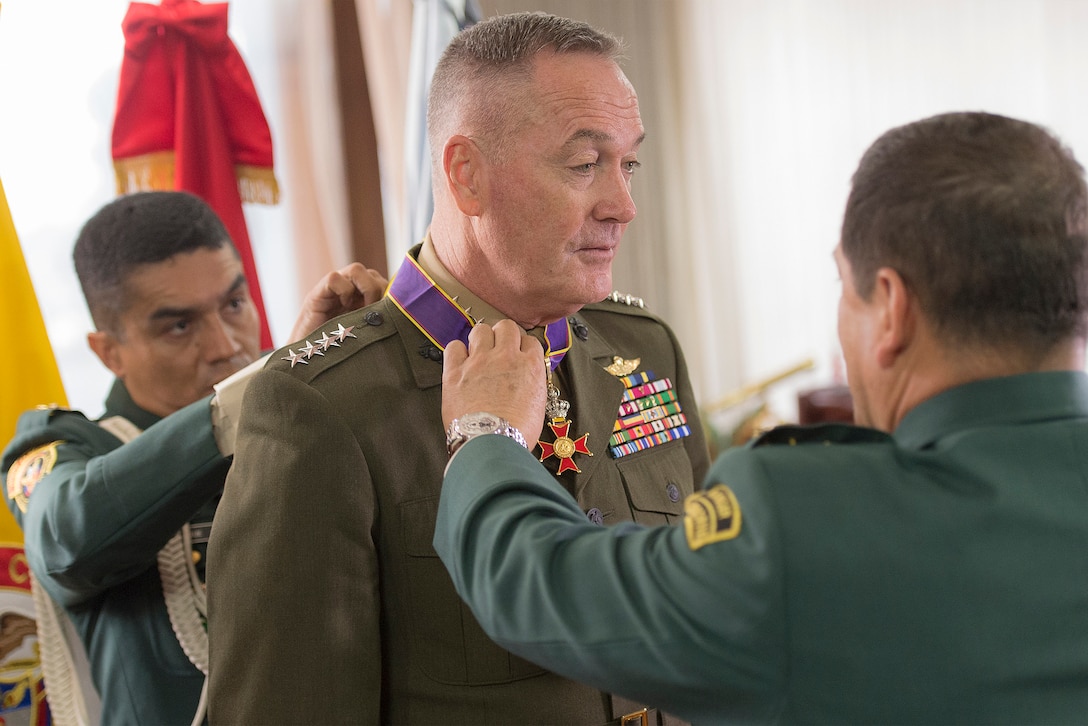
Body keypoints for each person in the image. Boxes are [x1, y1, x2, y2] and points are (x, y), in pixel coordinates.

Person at [433, 110, 1088, 724]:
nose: (619, 202)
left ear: (890, 308)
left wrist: (486, 432)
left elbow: (543, 584)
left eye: (844, 285)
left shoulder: (813, 521)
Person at [207, 11, 710, 726]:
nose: (622, 206)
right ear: (467, 175)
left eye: (628, 163)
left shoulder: (643, 347)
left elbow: (714, 622)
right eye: (584, 163)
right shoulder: (322, 405)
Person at [1, 190, 385, 726]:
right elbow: (66, 539)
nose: (226, 344)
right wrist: (263, 387)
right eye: (179, 326)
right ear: (107, 350)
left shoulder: (305, 428)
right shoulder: (62, 447)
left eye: (233, 303)